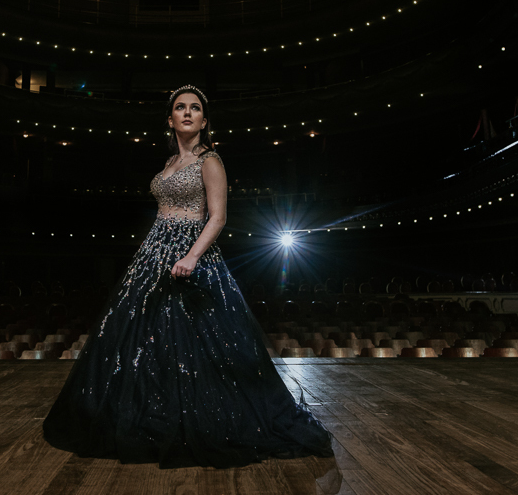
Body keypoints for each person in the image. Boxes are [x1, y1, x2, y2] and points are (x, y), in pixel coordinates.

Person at [43, 85, 334, 469]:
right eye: (180, 108)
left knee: (198, 342)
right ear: (170, 119)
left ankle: (204, 418)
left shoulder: (209, 160)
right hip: (153, 253)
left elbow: (218, 217)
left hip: (191, 254)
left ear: (204, 120)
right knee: (141, 340)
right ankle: (149, 413)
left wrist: (192, 256)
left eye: (195, 108)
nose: (187, 113)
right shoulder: (167, 165)